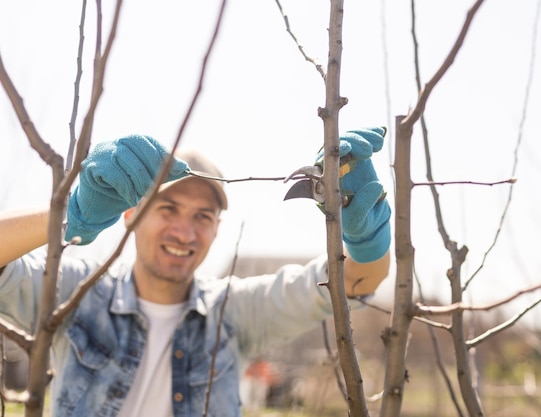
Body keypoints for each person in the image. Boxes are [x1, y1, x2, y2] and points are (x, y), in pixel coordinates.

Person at [0, 127, 391, 417]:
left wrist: (365, 238)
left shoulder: (234, 311)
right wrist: (71, 215)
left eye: (203, 216)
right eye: (167, 209)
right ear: (131, 213)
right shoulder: (76, 292)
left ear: (217, 229)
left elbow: (356, 282)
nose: (184, 232)